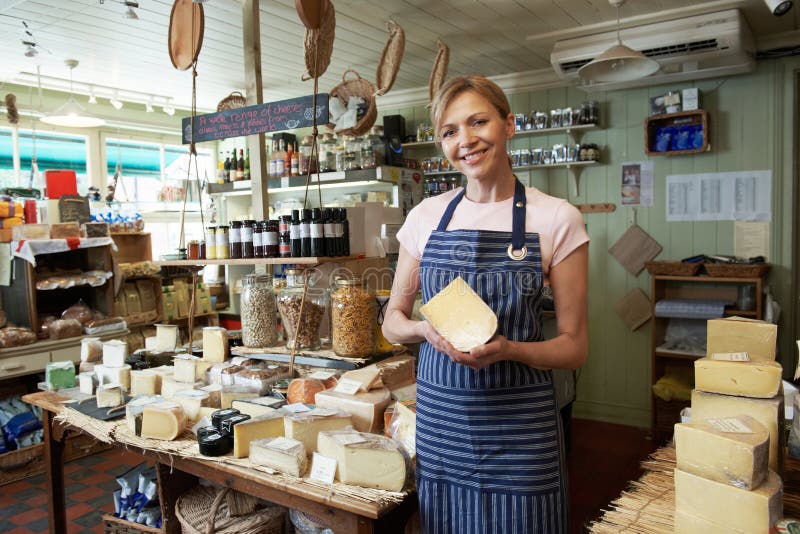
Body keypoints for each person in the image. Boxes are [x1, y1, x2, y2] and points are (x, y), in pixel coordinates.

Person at [382, 75, 589, 533]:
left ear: (509, 125)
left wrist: (510, 349)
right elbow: (392, 321)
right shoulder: (425, 218)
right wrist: (423, 331)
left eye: (479, 122)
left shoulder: (556, 218)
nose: (466, 140)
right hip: (443, 430)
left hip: (520, 433)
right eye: (450, 131)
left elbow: (574, 347)